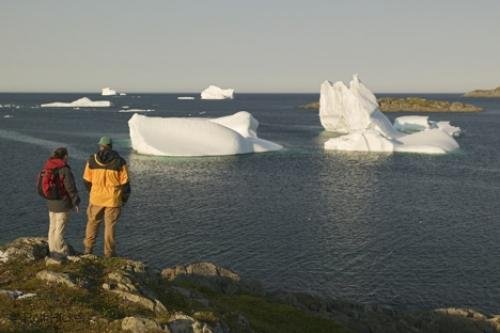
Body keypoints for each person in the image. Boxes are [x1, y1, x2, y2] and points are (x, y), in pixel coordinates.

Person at [83, 136, 131, 257]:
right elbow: (125, 183)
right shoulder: (120, 162)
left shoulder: (92, 160)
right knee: (110, 227)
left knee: (92, 223)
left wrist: (92, 192)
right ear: (111, 146)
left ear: (100, 146)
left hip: (96, 198)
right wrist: (123, 199)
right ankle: (109, 253)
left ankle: (88, 249)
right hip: (113, 199)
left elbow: (86, 180)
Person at [43, 147, 80, 258]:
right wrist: (76, 202)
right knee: (59, 229)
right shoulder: (64, 169)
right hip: (62, 203)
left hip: (51, 202)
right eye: (67, 155)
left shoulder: (48, 166)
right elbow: (70, 187)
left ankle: (52, 251)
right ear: (64, 156)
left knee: (52, 227)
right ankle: (60, 253)